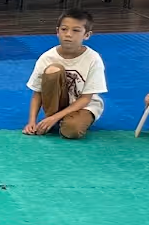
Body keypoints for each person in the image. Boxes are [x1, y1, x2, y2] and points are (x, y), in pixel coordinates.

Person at [23, 9, 106, 140]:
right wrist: (31, 122)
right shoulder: (47, 57)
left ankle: (58, 121)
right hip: (56, 105)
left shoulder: (93, 59)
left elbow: (86, 99)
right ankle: (54, 120)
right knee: (52, 70)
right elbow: (37, 93)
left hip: (84, 106)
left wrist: (55, 118)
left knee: (71, 131)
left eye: (76, 30)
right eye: (64, 29)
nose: (68, 34)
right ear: (57, 31)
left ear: (87, 35)